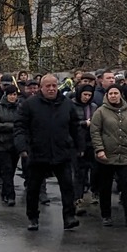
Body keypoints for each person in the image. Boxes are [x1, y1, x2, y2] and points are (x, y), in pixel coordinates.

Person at [15, 73, 86, 232]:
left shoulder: (67, 104)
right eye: (48, 86)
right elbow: (20, 127)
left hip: (62, 152)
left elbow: (75, 127)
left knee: (67, 187)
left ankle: (69, 217)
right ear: (41, 88)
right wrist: (22, 147)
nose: (52, 89)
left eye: (54, 85)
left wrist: (80, 147)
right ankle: (33, 217)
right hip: (37, 153)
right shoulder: (29, 105)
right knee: (33, 188)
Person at [89, 86, 127, 226]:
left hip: (126, 154)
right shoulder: (100, 112)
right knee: (105, 187)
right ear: (107, 95)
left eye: (116, 93)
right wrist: (99, 150)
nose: (113, 96)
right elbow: (95, 132)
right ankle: (106, 215)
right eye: (111, 93)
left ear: (120, 95)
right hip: (107, 155)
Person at [0, 82, 24, 206]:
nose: (12, 97)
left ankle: (5, 192)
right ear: (6, 95)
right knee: (7, 169)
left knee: (11, 170)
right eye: (10, 94)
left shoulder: (20, 108)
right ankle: (10, 196)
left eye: (14, 94)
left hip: (15, 144)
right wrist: (12, 126)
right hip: (1, 145)